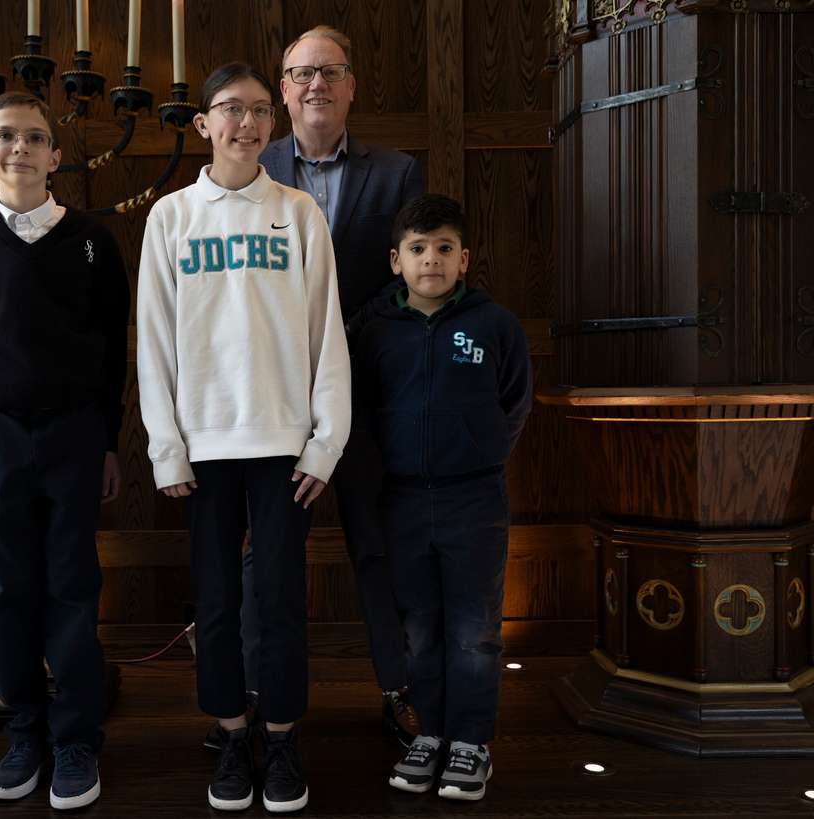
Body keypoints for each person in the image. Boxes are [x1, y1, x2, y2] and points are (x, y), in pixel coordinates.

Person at [136, 62, 351, 813]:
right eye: (232, 109)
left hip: (284, 441)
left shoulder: (298, 212)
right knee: (218, 601)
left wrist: (325, 442)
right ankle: (232, 733)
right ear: (204, 123)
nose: (248, 123)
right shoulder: (171, 217)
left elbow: (327, 334)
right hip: (203, 446)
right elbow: (153, 341)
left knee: (283, 600)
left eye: (261, 110)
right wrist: (166, 445)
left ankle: (282, 735)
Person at [0, 91, 129, 810]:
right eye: (6, 137)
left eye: (35, 137)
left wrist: (109, 441)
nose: (21, 148)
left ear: (55, 154)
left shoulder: (92, 239)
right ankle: (24, 733)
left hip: (74, 436)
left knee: (72, 586)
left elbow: (112, 347)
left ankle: (76, 740)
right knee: (7, 589)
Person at [223, 25, 425, 750]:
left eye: (331, 71)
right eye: (303, 73)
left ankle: (401, 692)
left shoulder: (397, 173)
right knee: (266, 556)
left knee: (378, 546)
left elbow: (407, 279)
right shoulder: (253, 165)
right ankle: (254, 695)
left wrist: (334, 336)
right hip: (274, 399)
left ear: (351, 86)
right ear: (283, 91)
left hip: (368, 394)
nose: (317, 84)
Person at [351, 194, 531, 802]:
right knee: (420, 628)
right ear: (396, 261)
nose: (432, 260)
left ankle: (471, 742)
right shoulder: (376, 333)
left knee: (475, 630)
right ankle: (429, 733)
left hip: (474, 500)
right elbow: (361, 412)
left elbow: (514, 402)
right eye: (419, 249)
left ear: (464, 259)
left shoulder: (494, 325)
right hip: (401, 500)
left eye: (444, 248)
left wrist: (480, 451)